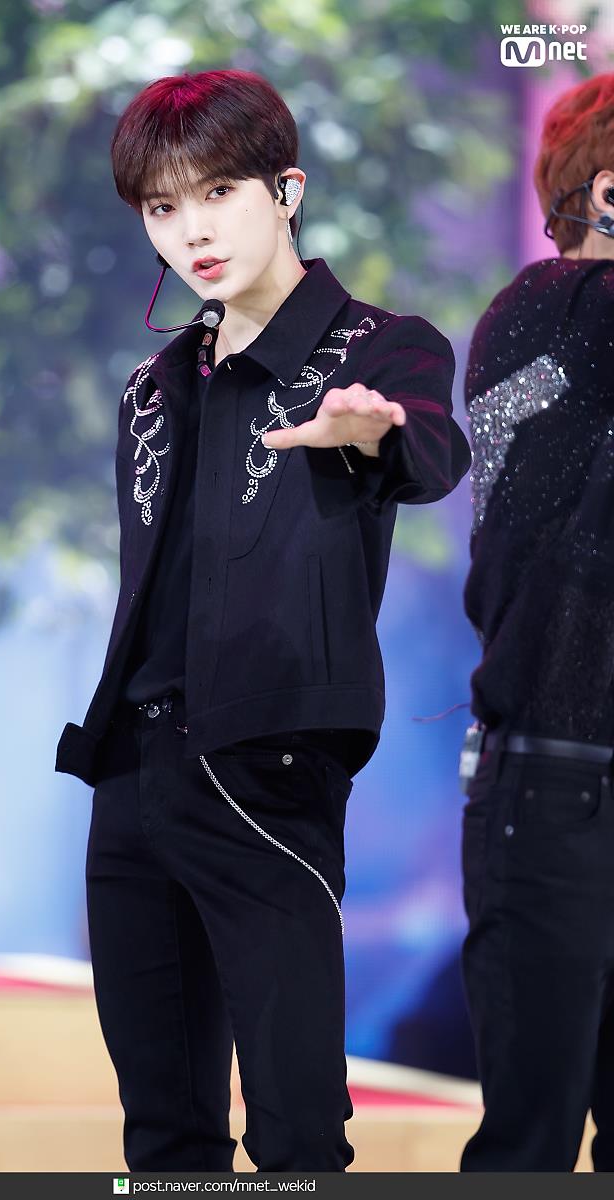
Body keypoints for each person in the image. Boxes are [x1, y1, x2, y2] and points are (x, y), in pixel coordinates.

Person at [56, 68, 470, 1173]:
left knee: (295, 1135)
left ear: (285, 191)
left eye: (218, 193)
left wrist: (372, 432)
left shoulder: (379, 347)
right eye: (162, 206)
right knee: (163, 1139)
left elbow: (430, 450)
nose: (191, 231)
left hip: (265, 766)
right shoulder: (152, 386)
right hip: (132, 775)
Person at [459, 71, 614, 1172]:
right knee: (529, 1147)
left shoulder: (538, 321)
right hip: (558, 782)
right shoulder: (564, 307)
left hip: (558, 776)